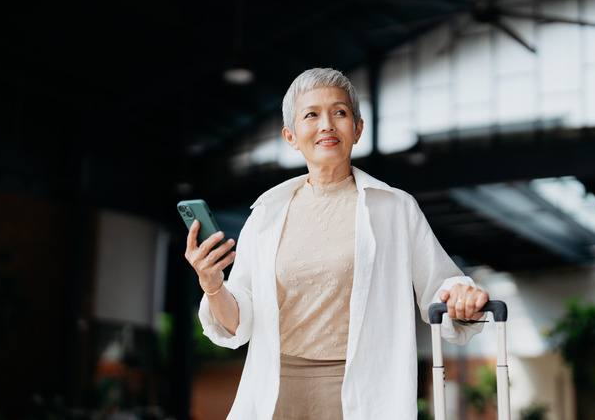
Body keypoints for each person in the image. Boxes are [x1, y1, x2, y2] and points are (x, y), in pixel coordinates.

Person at [185, 67, 490, 419]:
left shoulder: (395, 208)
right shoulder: (266, 216)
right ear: (291, 136)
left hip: (363, 391)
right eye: (311, 114)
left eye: (340, 112)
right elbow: (239, 323)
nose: (326, 124)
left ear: (357, 129)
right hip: (275, 390)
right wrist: (212, 285)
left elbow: (442, 285)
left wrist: (462, 296)